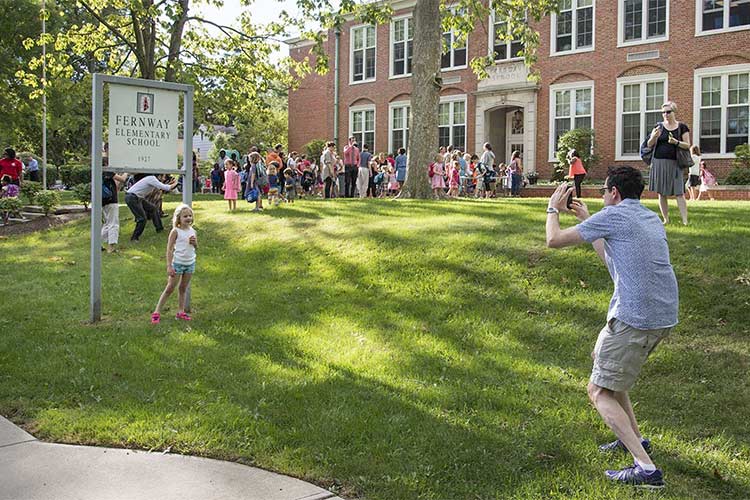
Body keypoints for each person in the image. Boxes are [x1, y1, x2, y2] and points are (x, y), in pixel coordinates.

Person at [545, 165, 676, 489]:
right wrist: (587, 219)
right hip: (661, 316)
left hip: (635, 318)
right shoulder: (646, 217)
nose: (602, 195)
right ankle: (636, 440)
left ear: (614, 193)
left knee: (598, 390)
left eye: (603, 190)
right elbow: (613, 261)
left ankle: (646, 470)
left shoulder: (614, 216)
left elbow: (553, 240)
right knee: (614, 378)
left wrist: (552, 209)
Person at [151, 204, 197, 324]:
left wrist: (195, 243)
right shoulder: (175, 231)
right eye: (185, 216)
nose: (188, 218)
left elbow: (195, 247)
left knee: (183, 288)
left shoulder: (193, 231)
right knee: (170, 288)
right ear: (179, 219)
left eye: (190, 216)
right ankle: (156, 312)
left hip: (190, 263)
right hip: (178, 263)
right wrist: (169, 266)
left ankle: (181, 311)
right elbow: (169, 249)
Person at [647, 101, 690, 225]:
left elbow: (687, 145)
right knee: (661, 192)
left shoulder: (682, 127)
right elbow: (649, 145)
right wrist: (654, 137)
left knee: (679, 192)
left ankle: (685, 220)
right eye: (663, 112)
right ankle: (665, 219)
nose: (665, 114)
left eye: (668, 112)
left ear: (674, 112)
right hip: (659, 162)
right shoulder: (658, 126)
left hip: (675, 162)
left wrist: (676, 142)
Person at [125, 174, 178, 242]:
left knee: (153, 209)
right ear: (159, 176)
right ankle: (134, 238)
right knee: (142, 219)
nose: (164, 179)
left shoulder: (151, 179)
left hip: (137, 197)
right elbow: (166, 188)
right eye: (163, 177)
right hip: (133, 198)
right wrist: (176, 183)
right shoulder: (152, 178)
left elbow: (162, 188)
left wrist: (170, 184)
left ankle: (159, 228)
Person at [102, 170, 128, 253]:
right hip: (111, 201)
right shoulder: (107, 171)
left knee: (107, 223)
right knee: (113, 223)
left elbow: (116, 186)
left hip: (103, 200)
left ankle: (98, 243)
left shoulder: (99, 172)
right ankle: (111, 247)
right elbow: (123, 179)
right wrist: (126, 172)